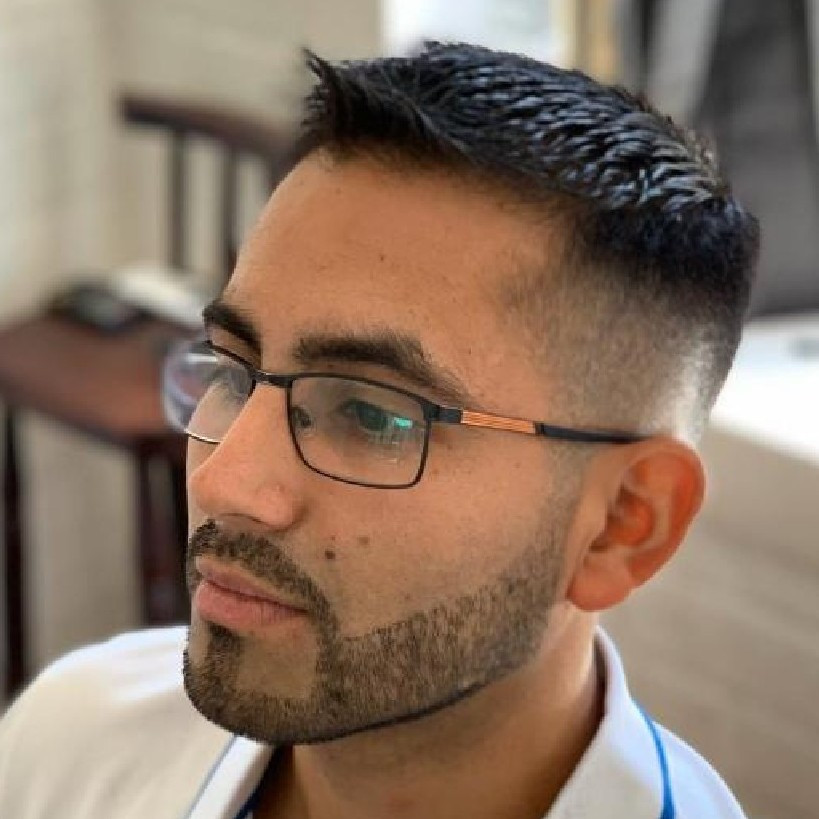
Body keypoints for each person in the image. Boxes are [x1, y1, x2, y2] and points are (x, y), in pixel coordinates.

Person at [0, 42, 759, 819]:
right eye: (233, 372)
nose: (219, 480)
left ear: (621, 526)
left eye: (371, 414)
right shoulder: (70, 748)